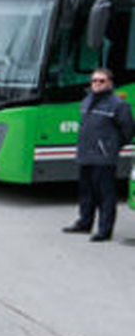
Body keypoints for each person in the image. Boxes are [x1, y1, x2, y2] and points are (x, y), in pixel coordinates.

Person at [63, 68, 134, 242]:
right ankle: (84, 223)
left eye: (101, 81)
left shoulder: (118, 104)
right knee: (86, 192)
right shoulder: (87, 100)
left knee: (105, 195)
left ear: (109, 83)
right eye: (94, 81)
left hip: (104, 158)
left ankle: (104, 230)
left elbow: (128, 131)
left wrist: (111, 146)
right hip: (85, 154)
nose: (96, 84)